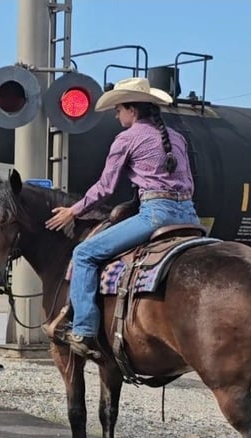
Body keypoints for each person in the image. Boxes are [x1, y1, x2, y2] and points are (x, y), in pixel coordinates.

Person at [45, 76, 200, 358]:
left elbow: (105, 188)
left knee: (84, 254)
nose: (116, 115)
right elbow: (189, 181)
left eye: (118, 109)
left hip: (156, 214)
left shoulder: (126, 139)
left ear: (132, 109)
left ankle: (83, 329)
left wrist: (73, 210)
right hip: (190, 216)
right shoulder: (177, 138)